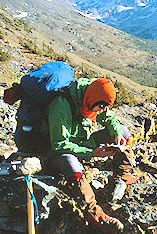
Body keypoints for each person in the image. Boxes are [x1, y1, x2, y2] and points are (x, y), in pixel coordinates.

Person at [44, 77, 137, 232]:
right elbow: (59, 144)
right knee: (71, 163)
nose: (101, 110)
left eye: (104, 107)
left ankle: (122, 174)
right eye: (100, 106)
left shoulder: (91, 98)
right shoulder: (61, 104)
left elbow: (109, 118)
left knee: (123, 131)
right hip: (57, 152)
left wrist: (116, 134)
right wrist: (91, 154)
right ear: (92, 99)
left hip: (82, 143)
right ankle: (93, 213)